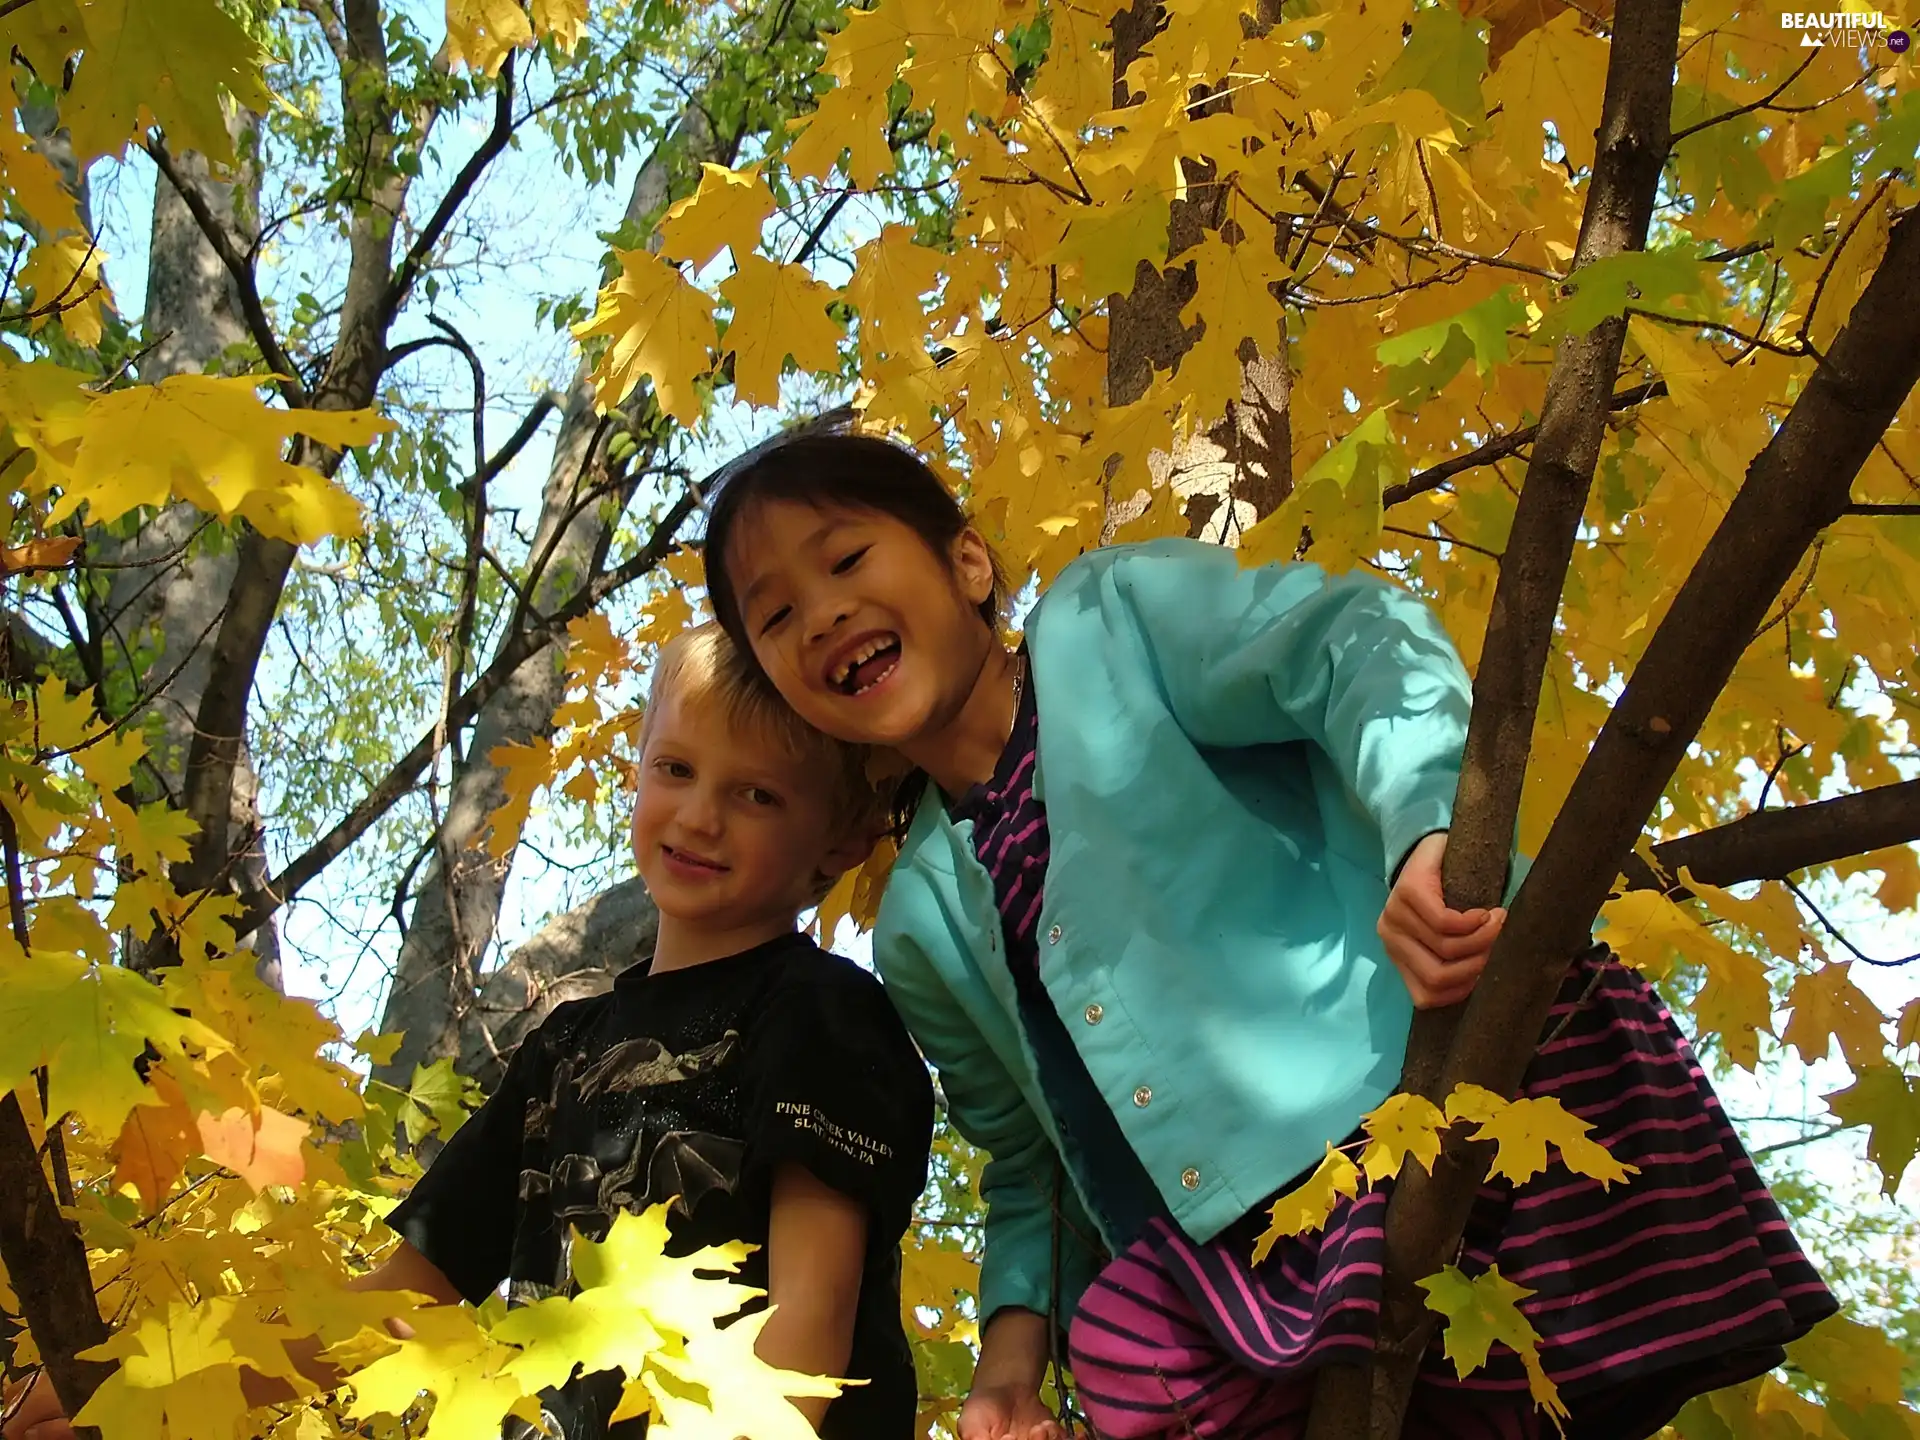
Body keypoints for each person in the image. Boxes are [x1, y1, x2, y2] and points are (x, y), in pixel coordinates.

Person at [696, 428, 1837, 1440]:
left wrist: (1426, 831)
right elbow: (1029, 1161)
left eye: (846, 561)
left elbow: (1348, 643)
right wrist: (1007, 1364)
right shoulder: (921, 926)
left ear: (967, 563)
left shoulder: (1113, 621)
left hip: (1444, 1089)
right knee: (1124, 1346)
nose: (825, 613)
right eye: (778, 616)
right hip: (1253, 1270)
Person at [2, 622, 935, 1440]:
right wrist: (145, 1386)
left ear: (841, 842)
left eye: (758, 795)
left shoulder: (823, 1013)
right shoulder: (565, 1048)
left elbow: (814, 1320)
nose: (699, 815)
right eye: (677, 769)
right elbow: (405, 1299)